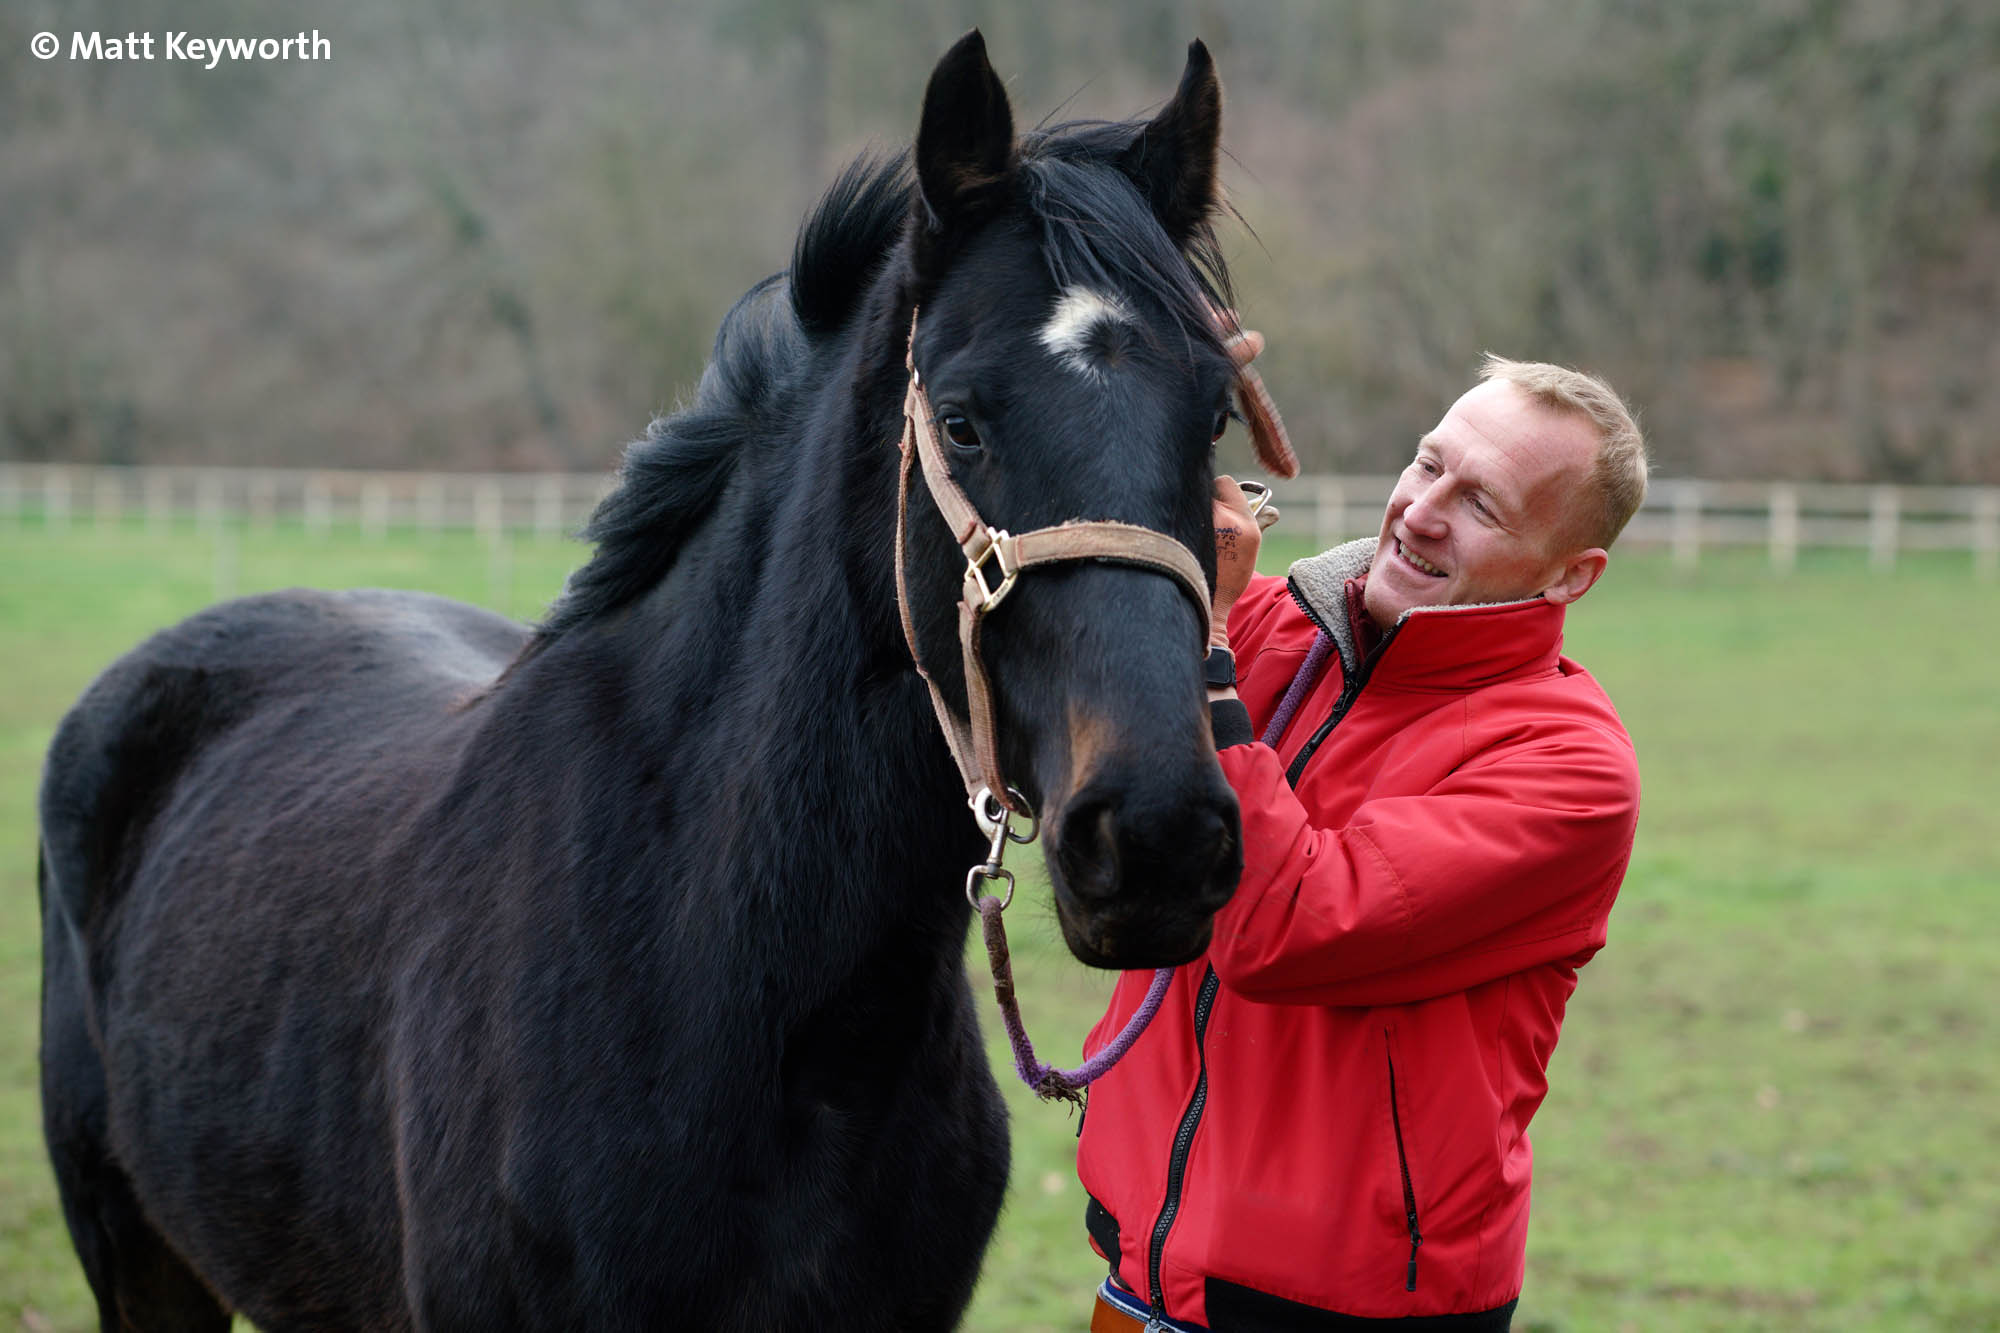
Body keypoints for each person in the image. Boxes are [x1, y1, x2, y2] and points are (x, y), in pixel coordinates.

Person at [1078, 349, 1648, 1332]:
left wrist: (1204, 643)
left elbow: (1284, 925)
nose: (1421, 510)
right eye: (1428, 465)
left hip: (1342, 1305)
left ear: (1569, 575)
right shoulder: (1264, 631)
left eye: (1483, 504)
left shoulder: (1570, 769)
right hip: (1140, 1263)